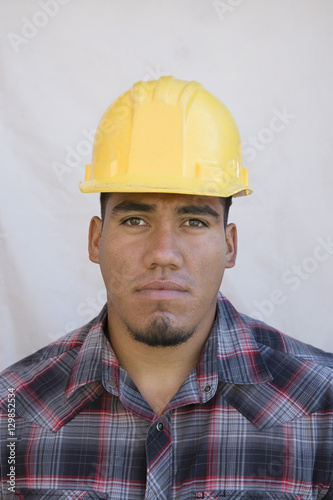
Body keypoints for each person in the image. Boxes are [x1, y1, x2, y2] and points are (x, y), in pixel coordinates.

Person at [0, 76, 332, 500]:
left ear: (229, 245)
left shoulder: (323, 408)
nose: (163, 253)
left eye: (194, 221)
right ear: (95, 241)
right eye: (135, 220)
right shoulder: (12, 413)